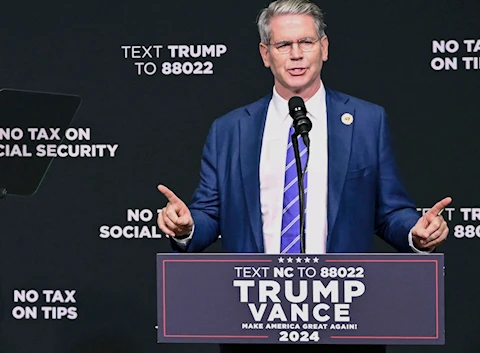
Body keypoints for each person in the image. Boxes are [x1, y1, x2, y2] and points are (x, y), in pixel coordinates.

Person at [157, 1, 451, 352]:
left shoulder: (367, 122)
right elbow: (209, 215)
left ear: (324, 48)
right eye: (283, 45)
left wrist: (417, 233)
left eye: (306, 43)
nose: (296, 55)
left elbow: (389, 212)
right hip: (253, 319)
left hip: (345, 319)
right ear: (266, 55)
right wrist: (186, 227)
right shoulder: (230, 130)